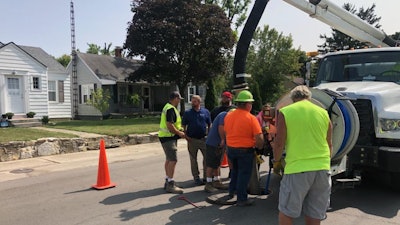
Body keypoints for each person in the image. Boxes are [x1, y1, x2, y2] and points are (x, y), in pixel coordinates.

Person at [273, 85, 333, 225]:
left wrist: (276, 162)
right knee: (314, 213)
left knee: (287, 211)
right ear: (309, 98)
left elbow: (279, 143)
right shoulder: (323, 112)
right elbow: (329, 143)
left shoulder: (286, 112)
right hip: (322, 169)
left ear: (293, 99)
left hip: (297, 168)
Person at [224, 90, 264, 206]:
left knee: (235, 171)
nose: (251, 106)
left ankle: (232, 192)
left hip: (231, 148)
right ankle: (242, 198)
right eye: (251, 103)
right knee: (244, 174)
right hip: (245, 150)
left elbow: (226, 131)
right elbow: (259, 138)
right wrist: (260, 148)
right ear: (247, 104)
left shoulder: (229, 116)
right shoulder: (251, 118)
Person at [158, 91, 186, 194]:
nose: (179, 101)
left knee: (169, 160)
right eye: (178, 99)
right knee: (173, 160)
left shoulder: (169, 107)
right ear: (175, 98)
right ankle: (170, 183)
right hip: (168, 138)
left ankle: (168, 180)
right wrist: (179, 133)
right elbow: (170, 125)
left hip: (166, 137)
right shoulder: (170, 109)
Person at [182, 95, 211, 186]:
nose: (192, 103)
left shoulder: (205, 112)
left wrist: (209, 135)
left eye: (194, 101)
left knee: (207, 158)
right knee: (193, 159)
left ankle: (206, 177)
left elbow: (209, 124)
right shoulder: (188, 113)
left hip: (203, 139)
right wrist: (186, 135)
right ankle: (196, 177)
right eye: (192, 101)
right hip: (192, 140)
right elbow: (184, 125)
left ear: (199, 102)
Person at [204, 110, 230, 193]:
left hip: (219, 144)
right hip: (213, 143)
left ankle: (217, 181)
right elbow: (221, 127)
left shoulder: (228, 117)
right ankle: (208, 184)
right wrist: (223, 139)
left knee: (217, 163)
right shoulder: (223, 115)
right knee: (211, 164)